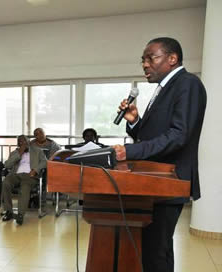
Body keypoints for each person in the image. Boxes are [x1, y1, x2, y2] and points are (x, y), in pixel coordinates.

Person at [113, 37, 206, 272]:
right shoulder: (163, 89)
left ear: (172, 59)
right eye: (142, 60)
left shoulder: (187, 84)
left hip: (169, 180)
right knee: (157, 250)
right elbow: (154, 135)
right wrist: (135, 122)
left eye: (150, 58)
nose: (145, 64)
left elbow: (178, 135)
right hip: (154, 180)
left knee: (155, 253)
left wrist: (129, 151)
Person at [1, 135, 46, 225]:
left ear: (29, 142)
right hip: (16, 174)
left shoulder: (37, 151)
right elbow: (7, 165)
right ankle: (8, 211)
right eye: (20, 142)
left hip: (30, 175)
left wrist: (36, 170)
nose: (22, 143)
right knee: (6, 182)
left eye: (24, 141)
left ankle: (20, 214)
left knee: (24, 187)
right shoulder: (15, 153)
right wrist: (19, 153)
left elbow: (44, 162)